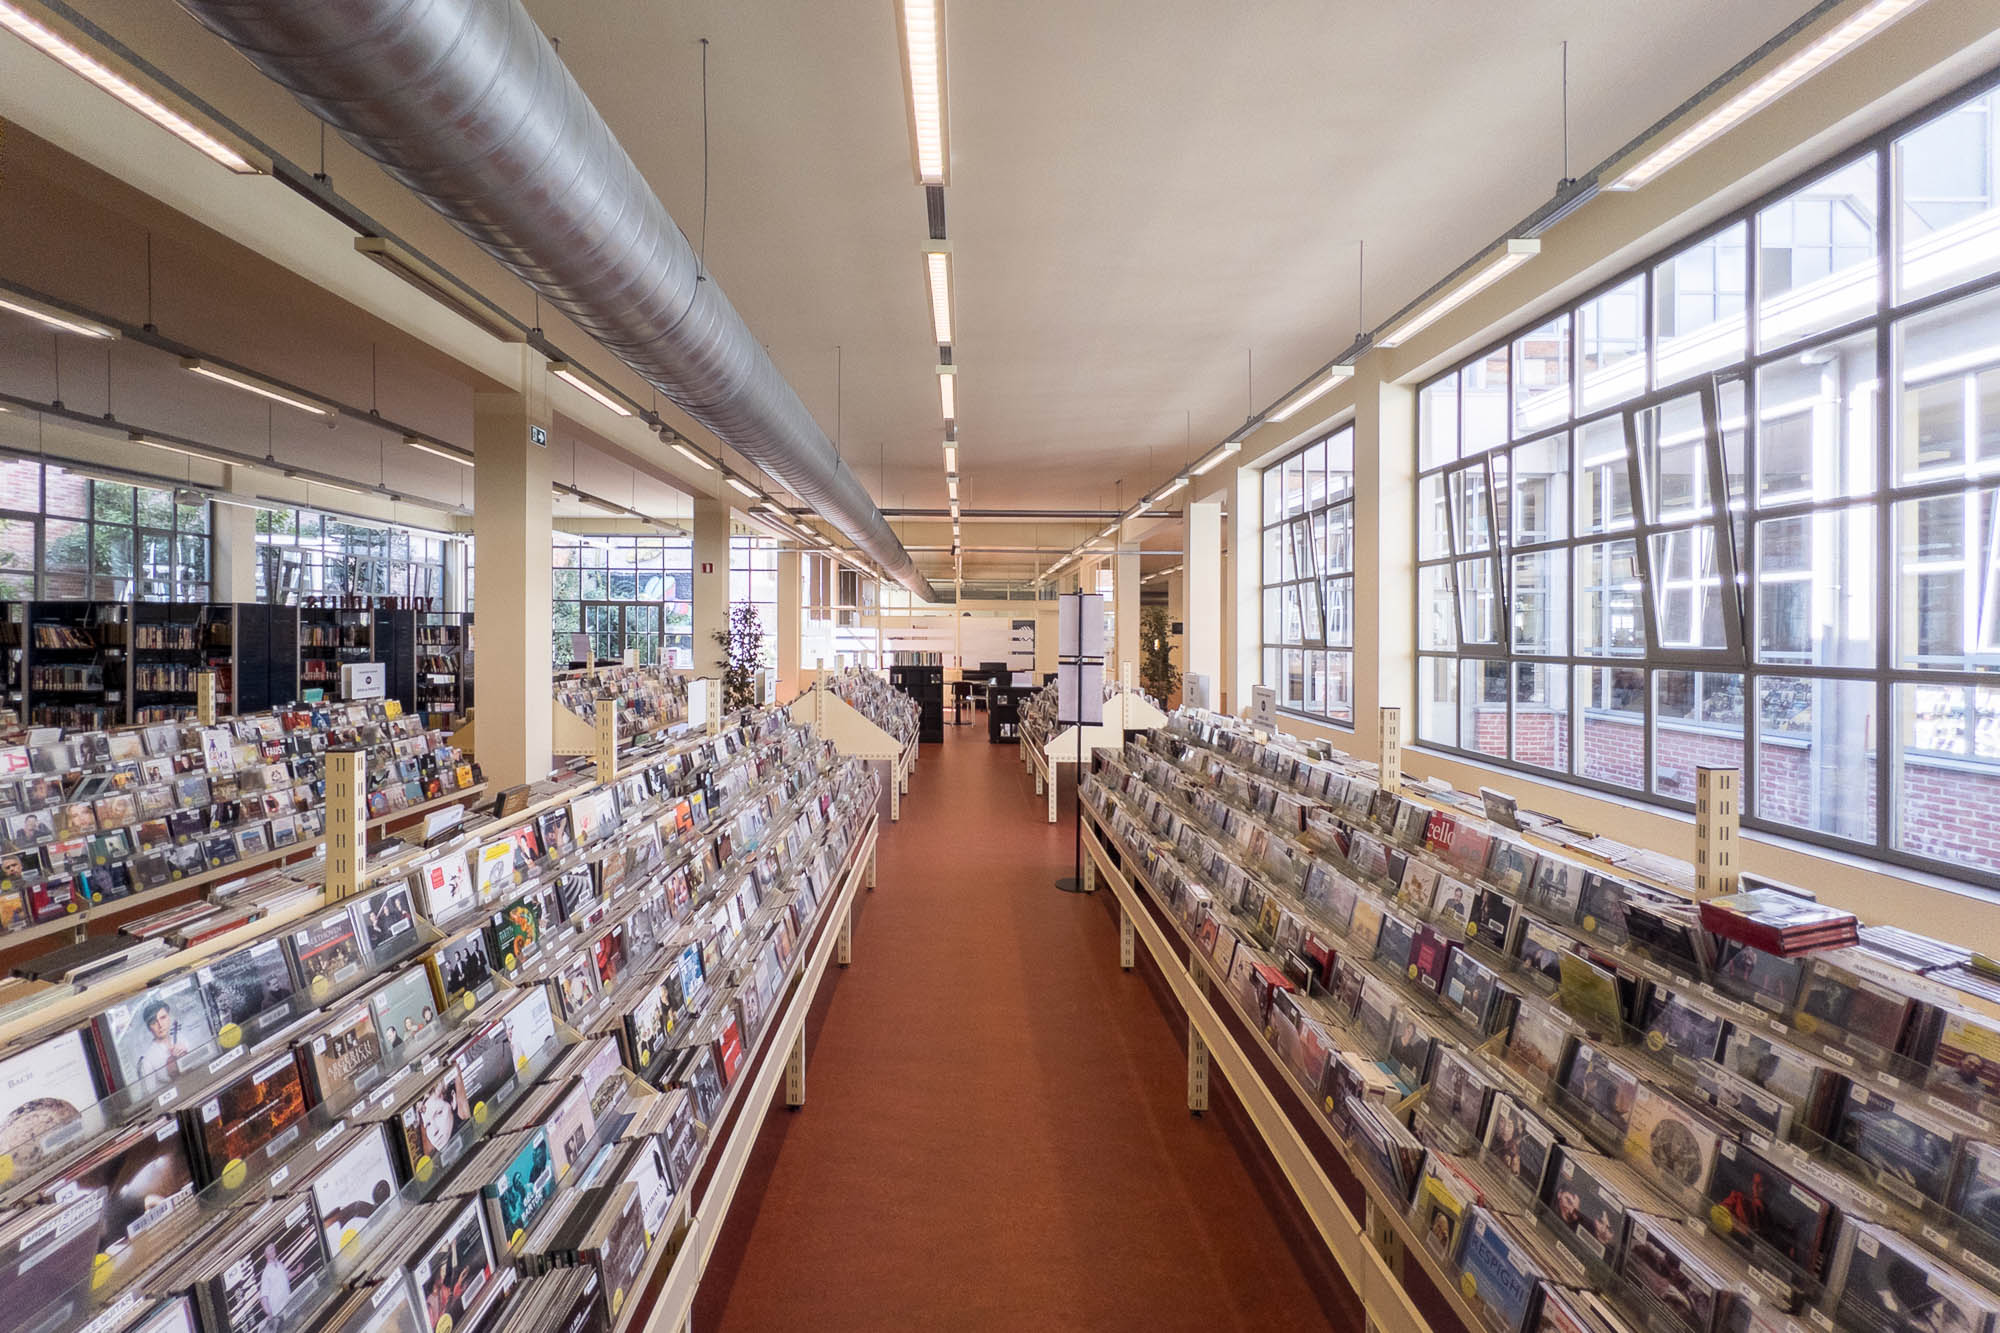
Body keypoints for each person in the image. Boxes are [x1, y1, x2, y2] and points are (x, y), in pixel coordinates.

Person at [133, 999, 191, 1082]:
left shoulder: (182, 1038)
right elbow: (150, 1093)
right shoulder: (147, 1060)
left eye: (163, 1017)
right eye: (154, 1022)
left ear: (169, 1017)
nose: (160, 1025)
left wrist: (186, 1055)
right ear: (149, 1028)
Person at [256, 1241, 293, 1319]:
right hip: (279, 1314)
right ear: (265, 1255)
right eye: (270, 1250)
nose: (273, 1251)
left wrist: (297, 1271)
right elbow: (263, 1298)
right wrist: (270, 1314)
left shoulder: (280, 1264)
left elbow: (286, 1277)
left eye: (273, 1248)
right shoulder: (266, 1273)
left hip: (288, 1305)